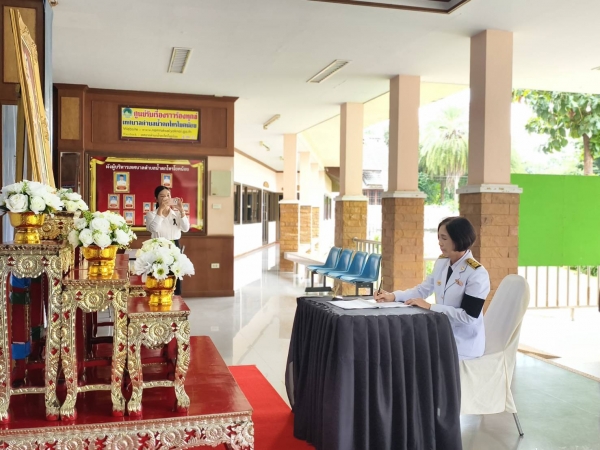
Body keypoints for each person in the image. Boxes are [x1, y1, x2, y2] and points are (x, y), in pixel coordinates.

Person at [374, 216, 490, 360]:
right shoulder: (442, 263)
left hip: (464, 344)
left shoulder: (477, 273)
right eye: (438, 237)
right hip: (442, 334)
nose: (440, 243)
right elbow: (422, 290)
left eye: (444, 238)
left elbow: (468, 317)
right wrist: (393, 296)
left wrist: (430, 307)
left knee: (412, 353)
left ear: (458, 239)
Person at [145, 185, 190, 295]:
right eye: (162, 196)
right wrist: (160, 210)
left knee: (175, 275)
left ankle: (176, 299)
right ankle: (158, 298)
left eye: (168, 195)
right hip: (158, 247)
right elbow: (153, 229)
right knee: (159, 275)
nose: (166, 198)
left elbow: (186, 228)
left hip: (174, 246)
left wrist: (181, 210)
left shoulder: (177, 214)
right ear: (156, 199)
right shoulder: (151, 214)